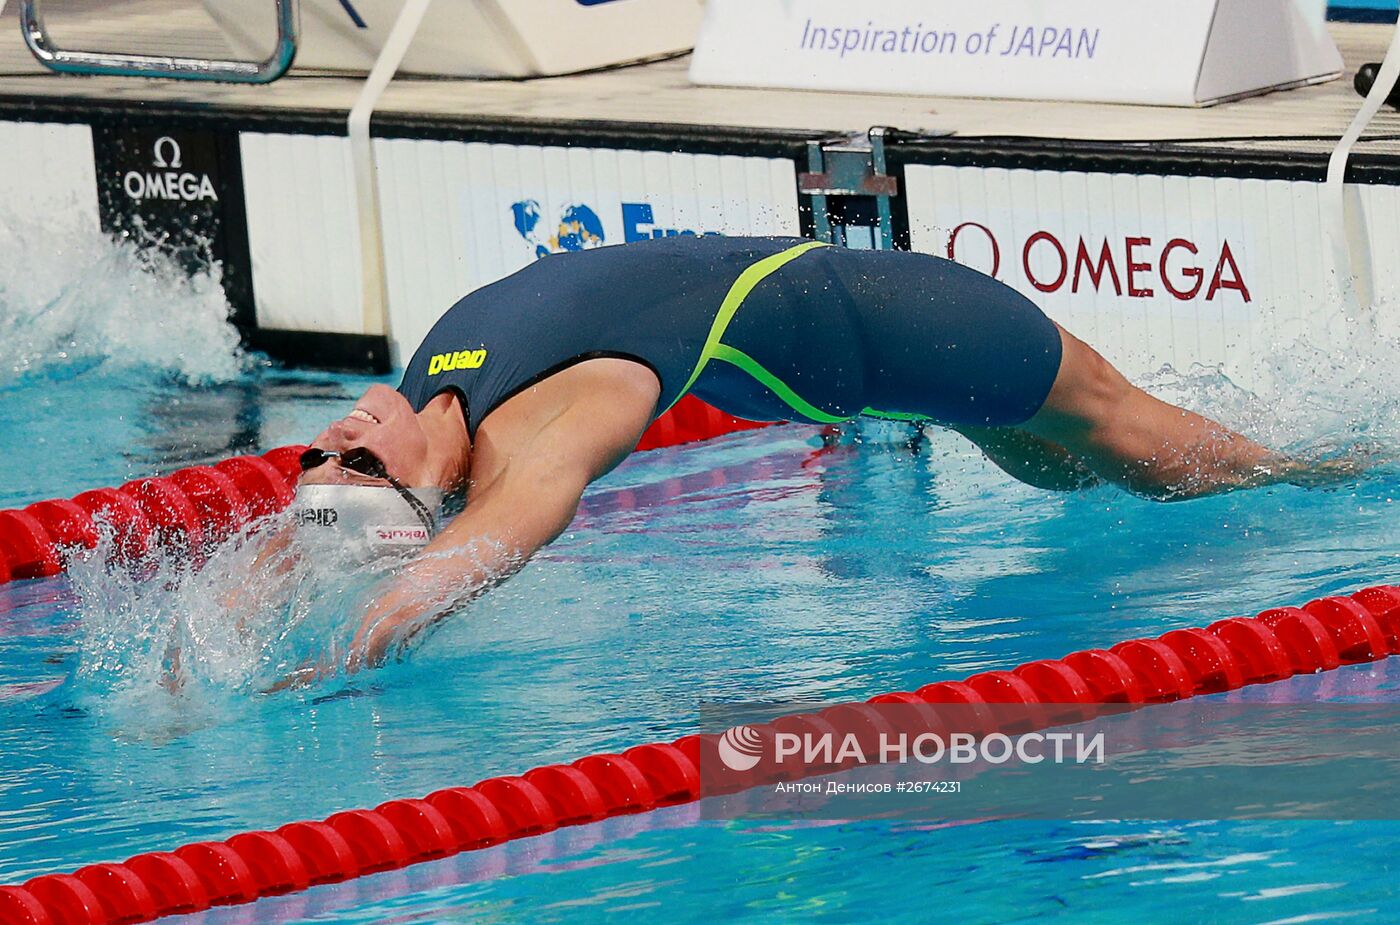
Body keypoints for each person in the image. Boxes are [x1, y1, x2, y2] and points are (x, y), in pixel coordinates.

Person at [284, 236, 1347, 682]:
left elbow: (302, 550)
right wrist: (350, 658)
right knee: (1120, 457)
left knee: (1114, 450)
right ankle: (1349, 465)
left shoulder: (434, 385)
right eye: (362, 467)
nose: (343, 437)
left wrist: (213, 641)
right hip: (892, 332)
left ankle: (1321, 452)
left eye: (318, 455)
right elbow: (465, 559)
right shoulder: (555, 432)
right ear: (429, 496)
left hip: (885, 328)